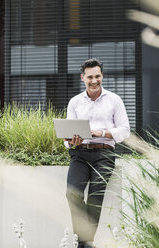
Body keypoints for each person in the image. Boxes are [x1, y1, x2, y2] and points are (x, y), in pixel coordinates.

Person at [64, 58, 130, 248]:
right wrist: (71, 141)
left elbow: (125, 130)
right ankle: (85, 242)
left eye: (97, 76)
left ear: (102, 76)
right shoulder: (75, 102)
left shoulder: (114, 100)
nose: (94, 81)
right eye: (90, 77)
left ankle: (84, 243)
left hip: (104, 154)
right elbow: (68, 133)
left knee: (95, 195)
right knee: (72, 193)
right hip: (80, 154)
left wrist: (102, 132)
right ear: (82, 78)